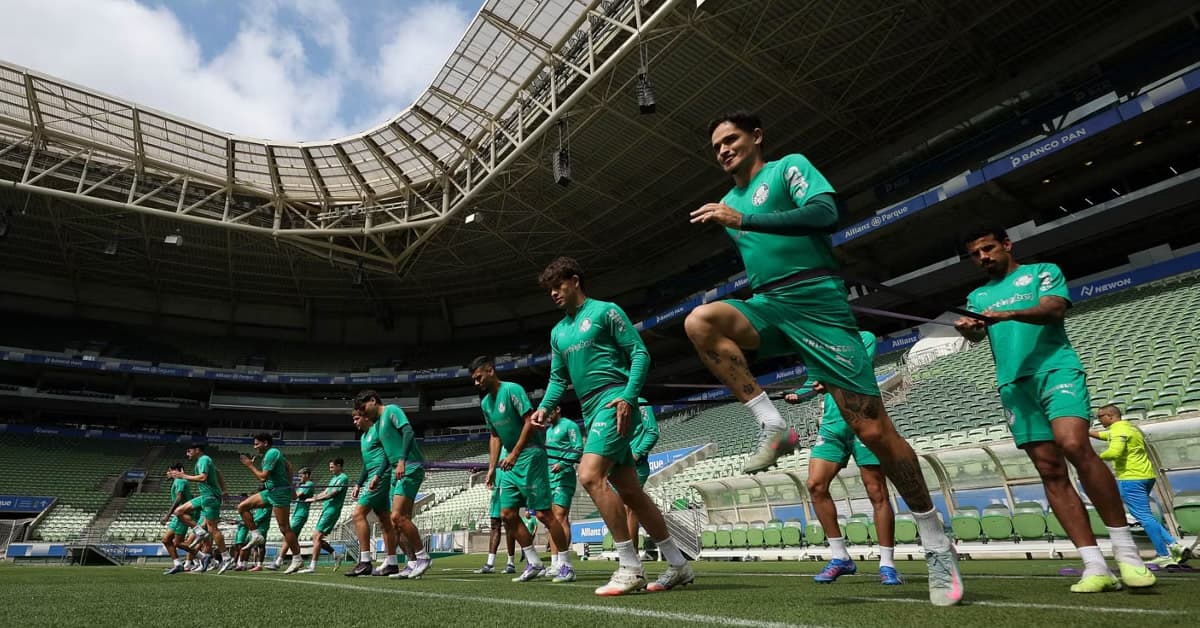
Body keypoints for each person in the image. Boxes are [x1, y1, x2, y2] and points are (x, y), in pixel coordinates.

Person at [685, 111, 960, 605]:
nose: (723, 150)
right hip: (770, 303)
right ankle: (774, 426)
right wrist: (737, 216)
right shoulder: (725, 202)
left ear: (756, 138)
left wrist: (745, 218)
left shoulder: (788, 167)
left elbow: (826, 214)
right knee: (699, 321)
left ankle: (935, 538)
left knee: (873, 431)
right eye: (717, 147)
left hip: (819, 303)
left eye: (731, 139)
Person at [955, 225, 1154, 593]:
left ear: (1007, 245)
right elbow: (979, 333)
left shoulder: (1042, 272)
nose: (983, 257)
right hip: (1013, 384)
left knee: (1074, 444)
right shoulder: (977, 295)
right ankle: (1094, 564)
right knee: (1049, 469)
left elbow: (1053, 309)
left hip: (1055, 370)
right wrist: (970, 329)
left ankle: (1129, 556)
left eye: (988, 248)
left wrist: (1008, 314)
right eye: (975, 254)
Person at [530, 257, 694, 596]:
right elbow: (559, 378)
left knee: (589, 475)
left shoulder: (606, 311)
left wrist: (629, 397)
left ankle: (630, 566)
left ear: (575, 281)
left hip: (614, 400)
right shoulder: (558, 332)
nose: (553, 294)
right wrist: (544, 408)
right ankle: (679, 565)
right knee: (631, 491)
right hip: (591, 410)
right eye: (549, 290)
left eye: (558, 286)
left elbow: (640, 354)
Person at [784, 331, 902, 585]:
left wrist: (828, 381)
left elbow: (856, 371)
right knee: (816, 485)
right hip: (833, 426)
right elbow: (813, 382)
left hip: (865, 421)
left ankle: (887, 564)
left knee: (876, 491)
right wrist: (799, 393)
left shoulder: (865, 338)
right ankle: (840, 557)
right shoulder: (819, 344)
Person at [469, 356, 572, 583]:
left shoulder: (513, 390)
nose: (477, 383)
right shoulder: (485, 403)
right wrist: (491, 468)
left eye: (479, 377)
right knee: (507, 514)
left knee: (544, 514)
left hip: (530, 455)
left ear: (490, 371)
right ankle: (534, 562)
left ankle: (565, 564)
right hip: (509, 462)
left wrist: (515, 453)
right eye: (474, 380)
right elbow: (495, 435)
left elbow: (529, 421)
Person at [1090, 405, 1186, 567]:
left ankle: (1164, 553)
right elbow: (1105, 435)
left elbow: (1115, 452)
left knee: (1144, 517)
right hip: (1146, 476)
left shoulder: (1118, 430)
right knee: (1146, 516)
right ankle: (1174, 546)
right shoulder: (1130, 428)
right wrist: (1084, 431)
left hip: (1130, 478)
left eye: (1100, 417)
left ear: (1111, 416)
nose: (1099, 420)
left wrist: (1093, 458)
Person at [355, 389, 433, 580]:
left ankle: (423, 557)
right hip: (394, 472)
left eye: (363, 408)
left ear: (373, 400)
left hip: (410, 468)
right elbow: (388, 454)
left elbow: (408, 432)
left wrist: (402, 460)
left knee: (397, 516)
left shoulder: (392, 411)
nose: (362, 413)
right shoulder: (378, 425)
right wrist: (377, 475)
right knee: (397, 522)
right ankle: (411, 562)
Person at [234, 433, 305, 574]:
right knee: (242, 507)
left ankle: (297, 559)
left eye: (257, 444)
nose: (255, 447)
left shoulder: (272, 453)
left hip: (279, 493)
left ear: (265, 443)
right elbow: (289, 466)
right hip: (271, 491)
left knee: (284, 528)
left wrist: (249, 465)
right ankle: (255, 534)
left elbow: (262, 477)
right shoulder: (271, 454)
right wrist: (291, 487)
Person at [345, 408, 401, 577]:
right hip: (373, 477)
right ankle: (392, 563)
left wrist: (378, 474)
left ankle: (365, 561)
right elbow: (366, 464)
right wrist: (358, 483)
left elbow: (387, 454)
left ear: (365, 417)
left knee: (358, 514)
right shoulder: (363, 438)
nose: (354, 422)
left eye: (356, 418)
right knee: (384, 520)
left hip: (381, 476)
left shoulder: (378, 429)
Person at [168, 443, 231, 573]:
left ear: (197, 450)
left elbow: (203, 477)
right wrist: (224, 490)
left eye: (189, 450)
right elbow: (218, 472)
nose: (187, 454)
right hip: (204, 497)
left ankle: (226, 557)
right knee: (179, 511)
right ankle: (199, 530)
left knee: (213, 529)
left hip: (211, 497)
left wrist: (184, 476)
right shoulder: (205, 460)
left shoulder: (204, 459)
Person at [544, 406, 582, 575]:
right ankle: (554, 563)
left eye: (548, 412)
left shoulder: (570, 425)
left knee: (560, 517)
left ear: (558, 409)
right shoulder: (548, 431)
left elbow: (578, 448)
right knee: (551, 520)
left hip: (564, 477)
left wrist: (563, 464)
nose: (545, 416)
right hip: (549, 479)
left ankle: (564, 561)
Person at [296, 458, 349, 573]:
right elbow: (325, 492)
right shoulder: (334, 478)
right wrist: (314, 497)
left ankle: (312, 567)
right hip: (326, 509)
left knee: (317, 536)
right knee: (317, 538)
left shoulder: (343, 478)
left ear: (339, 466)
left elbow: (331, 494)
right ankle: (336, 554)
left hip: (332, 510)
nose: (330, 470)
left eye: (332, 467)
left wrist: (314, 500)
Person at [474, 446, 519, 575]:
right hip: (497, 486)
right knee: (494, 524)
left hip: (509, 484)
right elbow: (493, 463)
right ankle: (490, 563)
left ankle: (510, 562)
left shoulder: (512, 440)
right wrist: (484, 470)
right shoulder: (496, 446)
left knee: (509, 524)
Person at [625, 400, 659, 555]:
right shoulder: (610, 403)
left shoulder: (642, 403)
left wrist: (636, 454)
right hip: (618, 465)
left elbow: (652, 432)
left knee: (629, 508)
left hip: (636, 466)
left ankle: (632, 557)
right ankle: (628, 556)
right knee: (623, 510)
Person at [269, 467, 315, 571]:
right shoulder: (303, 485)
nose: (299, 478)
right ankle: (293, 561)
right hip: (297, 513)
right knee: (291, 538)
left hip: (301, 514)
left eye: (301, 475)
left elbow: (296, 495)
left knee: (289, 536)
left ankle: (279, 562)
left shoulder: (309, 484)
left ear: (307, 475)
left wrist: (290, 487)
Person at [161, 463, 197, 575]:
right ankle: (178, 564)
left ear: (175, 471)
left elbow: (179, 497)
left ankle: (204, 556)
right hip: (178, 516)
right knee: (167, 540)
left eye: (169, 470)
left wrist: (168, 514)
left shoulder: (180, 481)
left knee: (178, 542)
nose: (167, 473)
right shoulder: (178, 481)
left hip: (182, 516)